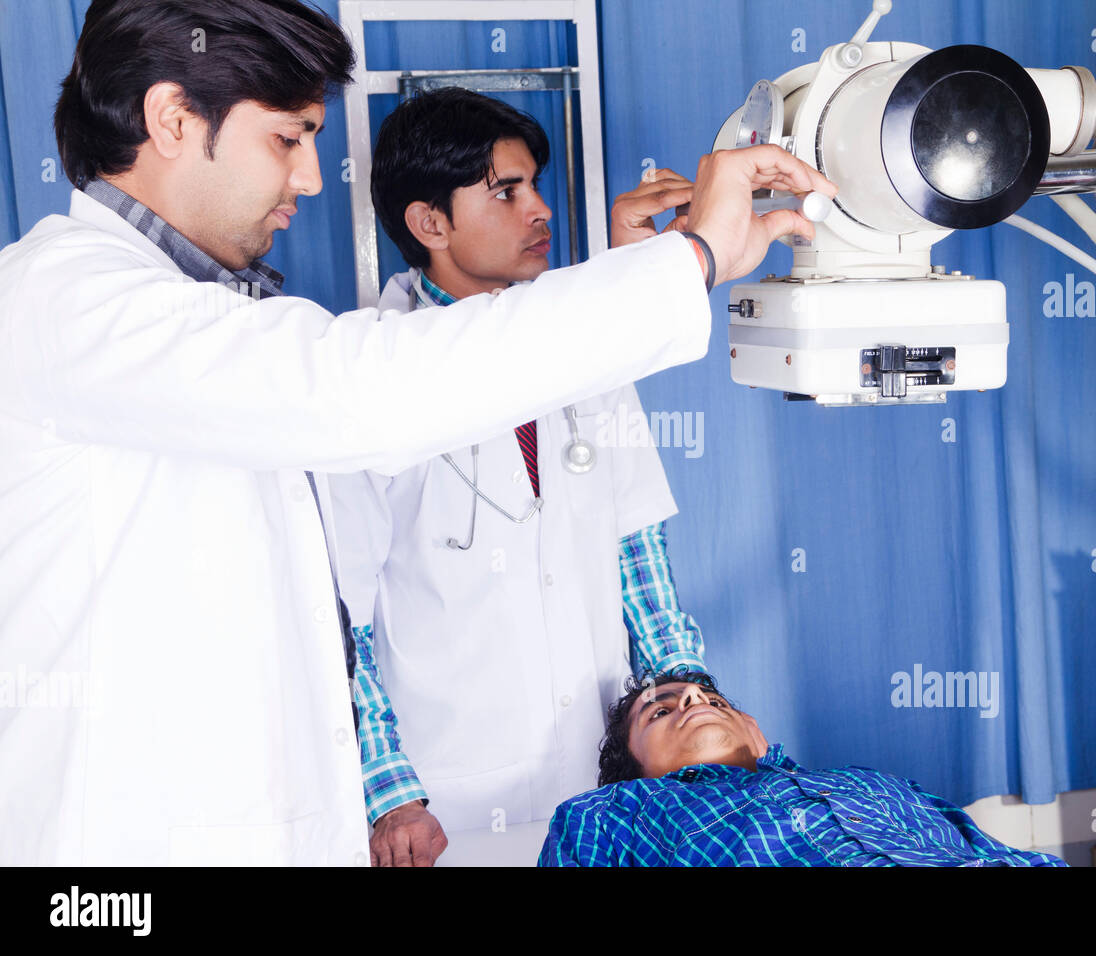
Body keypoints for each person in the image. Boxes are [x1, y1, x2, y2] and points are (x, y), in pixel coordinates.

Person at [0, 0, 833, 865]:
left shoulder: (205, 317)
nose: (313, 179)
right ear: (173, 119)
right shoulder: (62, 300)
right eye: (289, 139)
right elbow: (366, 391)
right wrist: (689, 259)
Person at [329, 88, 710, 867]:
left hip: (604, 784)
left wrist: (688, 701)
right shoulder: (363, 380)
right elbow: (344, 622)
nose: (540, 210)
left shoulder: (589, 349)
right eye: (507, 191)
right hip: (446, 801)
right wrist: (389, 792)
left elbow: (639, 559)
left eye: (536, 185)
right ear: (429, 223)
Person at [539, 673, 1068, 866]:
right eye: (659, 710)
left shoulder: (870, 782)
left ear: (757, 733)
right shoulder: (607, 815)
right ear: (632, 772)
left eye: (712, 699)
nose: (696, 698)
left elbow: (987, 850)